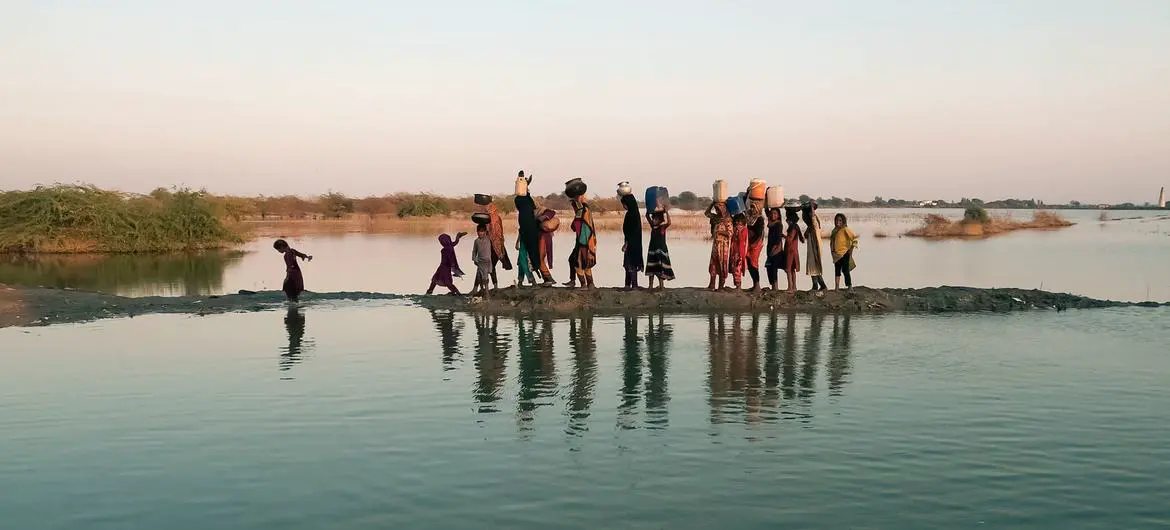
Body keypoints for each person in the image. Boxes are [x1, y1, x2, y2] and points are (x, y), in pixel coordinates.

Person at [513, 178, 556, 285]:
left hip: (540, 237)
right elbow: (522, 227)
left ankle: (546, 279)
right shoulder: (527, 211)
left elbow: (550, 213)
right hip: (531, 236)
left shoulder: (538, 211)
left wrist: (542, 218)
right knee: (525, 258)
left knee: (536, 257)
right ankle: (523, 281)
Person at [564, 195, 597, 289]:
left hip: (583, 243)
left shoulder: (581, 212)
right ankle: (590, 284)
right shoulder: (587, 210)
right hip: (590, 242)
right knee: (586, 264)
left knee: (577, 263)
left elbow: (574, 227)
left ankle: (583, 285)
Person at [481, 201, 512, 290]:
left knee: (489, 266)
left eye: (488, 206)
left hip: (495, 244)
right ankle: (491, 286)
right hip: (492, 244)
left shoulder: (494, 218)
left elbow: (496, 233)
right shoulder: (488, 218)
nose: (486, 208)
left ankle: (491, 287)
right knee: (488, 266)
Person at [705, 200, 733, 291]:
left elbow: (730, 233)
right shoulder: (716, 218)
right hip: (716, 244)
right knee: (713, 264)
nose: (718, 211)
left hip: (723, 245)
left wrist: (719, 232)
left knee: (722, 265)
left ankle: (721, 286)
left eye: (719, 209)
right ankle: (712, 285)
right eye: (717, 209)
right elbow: (707, 213)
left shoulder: (728, 220)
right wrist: (712, 204)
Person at [645, 209, 675, 290]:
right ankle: (650, 286)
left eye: (656, 219)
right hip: (652, 250)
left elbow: (669, 222)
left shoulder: (662, 227)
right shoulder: (653, 226)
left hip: (660, 251)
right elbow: (647, 216)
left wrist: (667, 212)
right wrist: (649, 209)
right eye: (653, 219)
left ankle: (661, 286)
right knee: (651, 268)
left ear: (660, 220)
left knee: (660, 268)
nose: (654, 220)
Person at [620, 193, 644, 290]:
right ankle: (628, 285)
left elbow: (631, 231)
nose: (624, 206)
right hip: (634, 242)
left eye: (624, 204)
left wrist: (627, 243)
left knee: (631, 264)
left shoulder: (632, 214)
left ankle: (633, 285)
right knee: (628, 264)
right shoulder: (634, 213)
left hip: (632, 243)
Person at [803, 202, 828, 291]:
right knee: (813, 265)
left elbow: (813, 217)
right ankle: (820, 285)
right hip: (812, 248)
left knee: (814, 266)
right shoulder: (810, 227)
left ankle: (818, 285)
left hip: (815, 248)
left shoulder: (814, 224)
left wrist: (812, 208)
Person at [830, 213, 859, 290]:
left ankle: (850, 287)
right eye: (836, 220)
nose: (838, 222)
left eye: (840, 220)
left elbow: (854, 238)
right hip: (836, 254)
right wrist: (833, 252)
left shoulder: (846, 229)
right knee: (837, 270)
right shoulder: (834, 230)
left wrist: (851, 249)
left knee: (845, 270)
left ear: (843, 221)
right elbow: (832, 242)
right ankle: (836, 288)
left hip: (845, 253)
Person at [745, 201, 766, 292]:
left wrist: (753, 243)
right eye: (751, 207)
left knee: (753, 264)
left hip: (756, 244)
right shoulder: (750, 218)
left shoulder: (760, 219)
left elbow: (759, 233)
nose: (752, 209)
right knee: (749, 263)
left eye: (754, 207)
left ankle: (757, 286)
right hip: (750, 243)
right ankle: (755, 284)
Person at [784, 209, 805, 294]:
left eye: (787, 219)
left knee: (788, 270)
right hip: (794, 251)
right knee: (792, 270)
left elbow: (789, 239)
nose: (786, 221)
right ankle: (794, 287)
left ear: (790, 220)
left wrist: (783, 236)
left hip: (790, 252)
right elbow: (801, 239)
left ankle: (790, 287)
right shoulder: (796, 226)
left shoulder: (792, 228)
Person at [764, 208, 785, 291]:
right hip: (770, 248)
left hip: (776, 249)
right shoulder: (771, 223)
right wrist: (766, 204)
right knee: (769, 268)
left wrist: (773, 250)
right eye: (772, 213)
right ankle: (773, 287)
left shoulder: (778, 224)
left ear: (779, 215)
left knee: (773, 268)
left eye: (775, 214)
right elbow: (767, 214)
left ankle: (775, 288)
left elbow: (777, 239)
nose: (773, 215)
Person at [470, 224, 493, 297]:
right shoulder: (476, 241)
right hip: (480, 261)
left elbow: (491, 230)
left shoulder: (488, 239)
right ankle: (483, 291)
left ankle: (486, 292)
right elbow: (474, 251)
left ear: (485, 232)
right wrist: (474, 258)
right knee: (481, 277)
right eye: (478, 231)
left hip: (487, 261)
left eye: (482, 231)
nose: (480, 233)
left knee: (485, 278)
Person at [729, 215, 749, 290]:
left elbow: (742, 240)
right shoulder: (734, 229)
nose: (738, 224)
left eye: (739, 222)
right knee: (734, 269)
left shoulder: (744, 230)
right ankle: (737, 285)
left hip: (740, 253)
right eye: (737, 222)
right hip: (734, 252)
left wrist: (739, 231)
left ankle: (739, 286)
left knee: (738, 269)